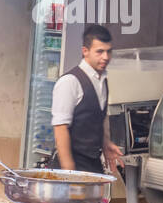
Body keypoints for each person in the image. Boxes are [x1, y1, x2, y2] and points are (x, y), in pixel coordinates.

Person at [52, 24, 125, 175]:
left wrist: (105, 143)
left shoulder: (102, 80)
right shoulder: (70, 82)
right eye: (100, 52)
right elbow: (60, 128)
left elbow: (97, 118)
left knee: (97, 199)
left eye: (108, 51)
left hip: (93, 163)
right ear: (85, 51)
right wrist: (69, 173)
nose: (106, 57)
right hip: (71, 164)